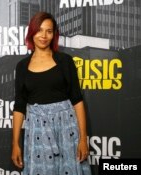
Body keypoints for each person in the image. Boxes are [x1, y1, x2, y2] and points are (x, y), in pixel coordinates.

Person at [11, 12, 92, 175]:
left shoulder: (65, 61)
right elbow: (20, 106)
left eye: (49, 31)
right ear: (32, 33)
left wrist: (83, 138)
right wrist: (15, 144)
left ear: (54, 34)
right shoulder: (22, 66)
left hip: (66, 128)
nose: (44, 36)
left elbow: (77, 100)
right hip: (37, 130)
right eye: (39, 30)